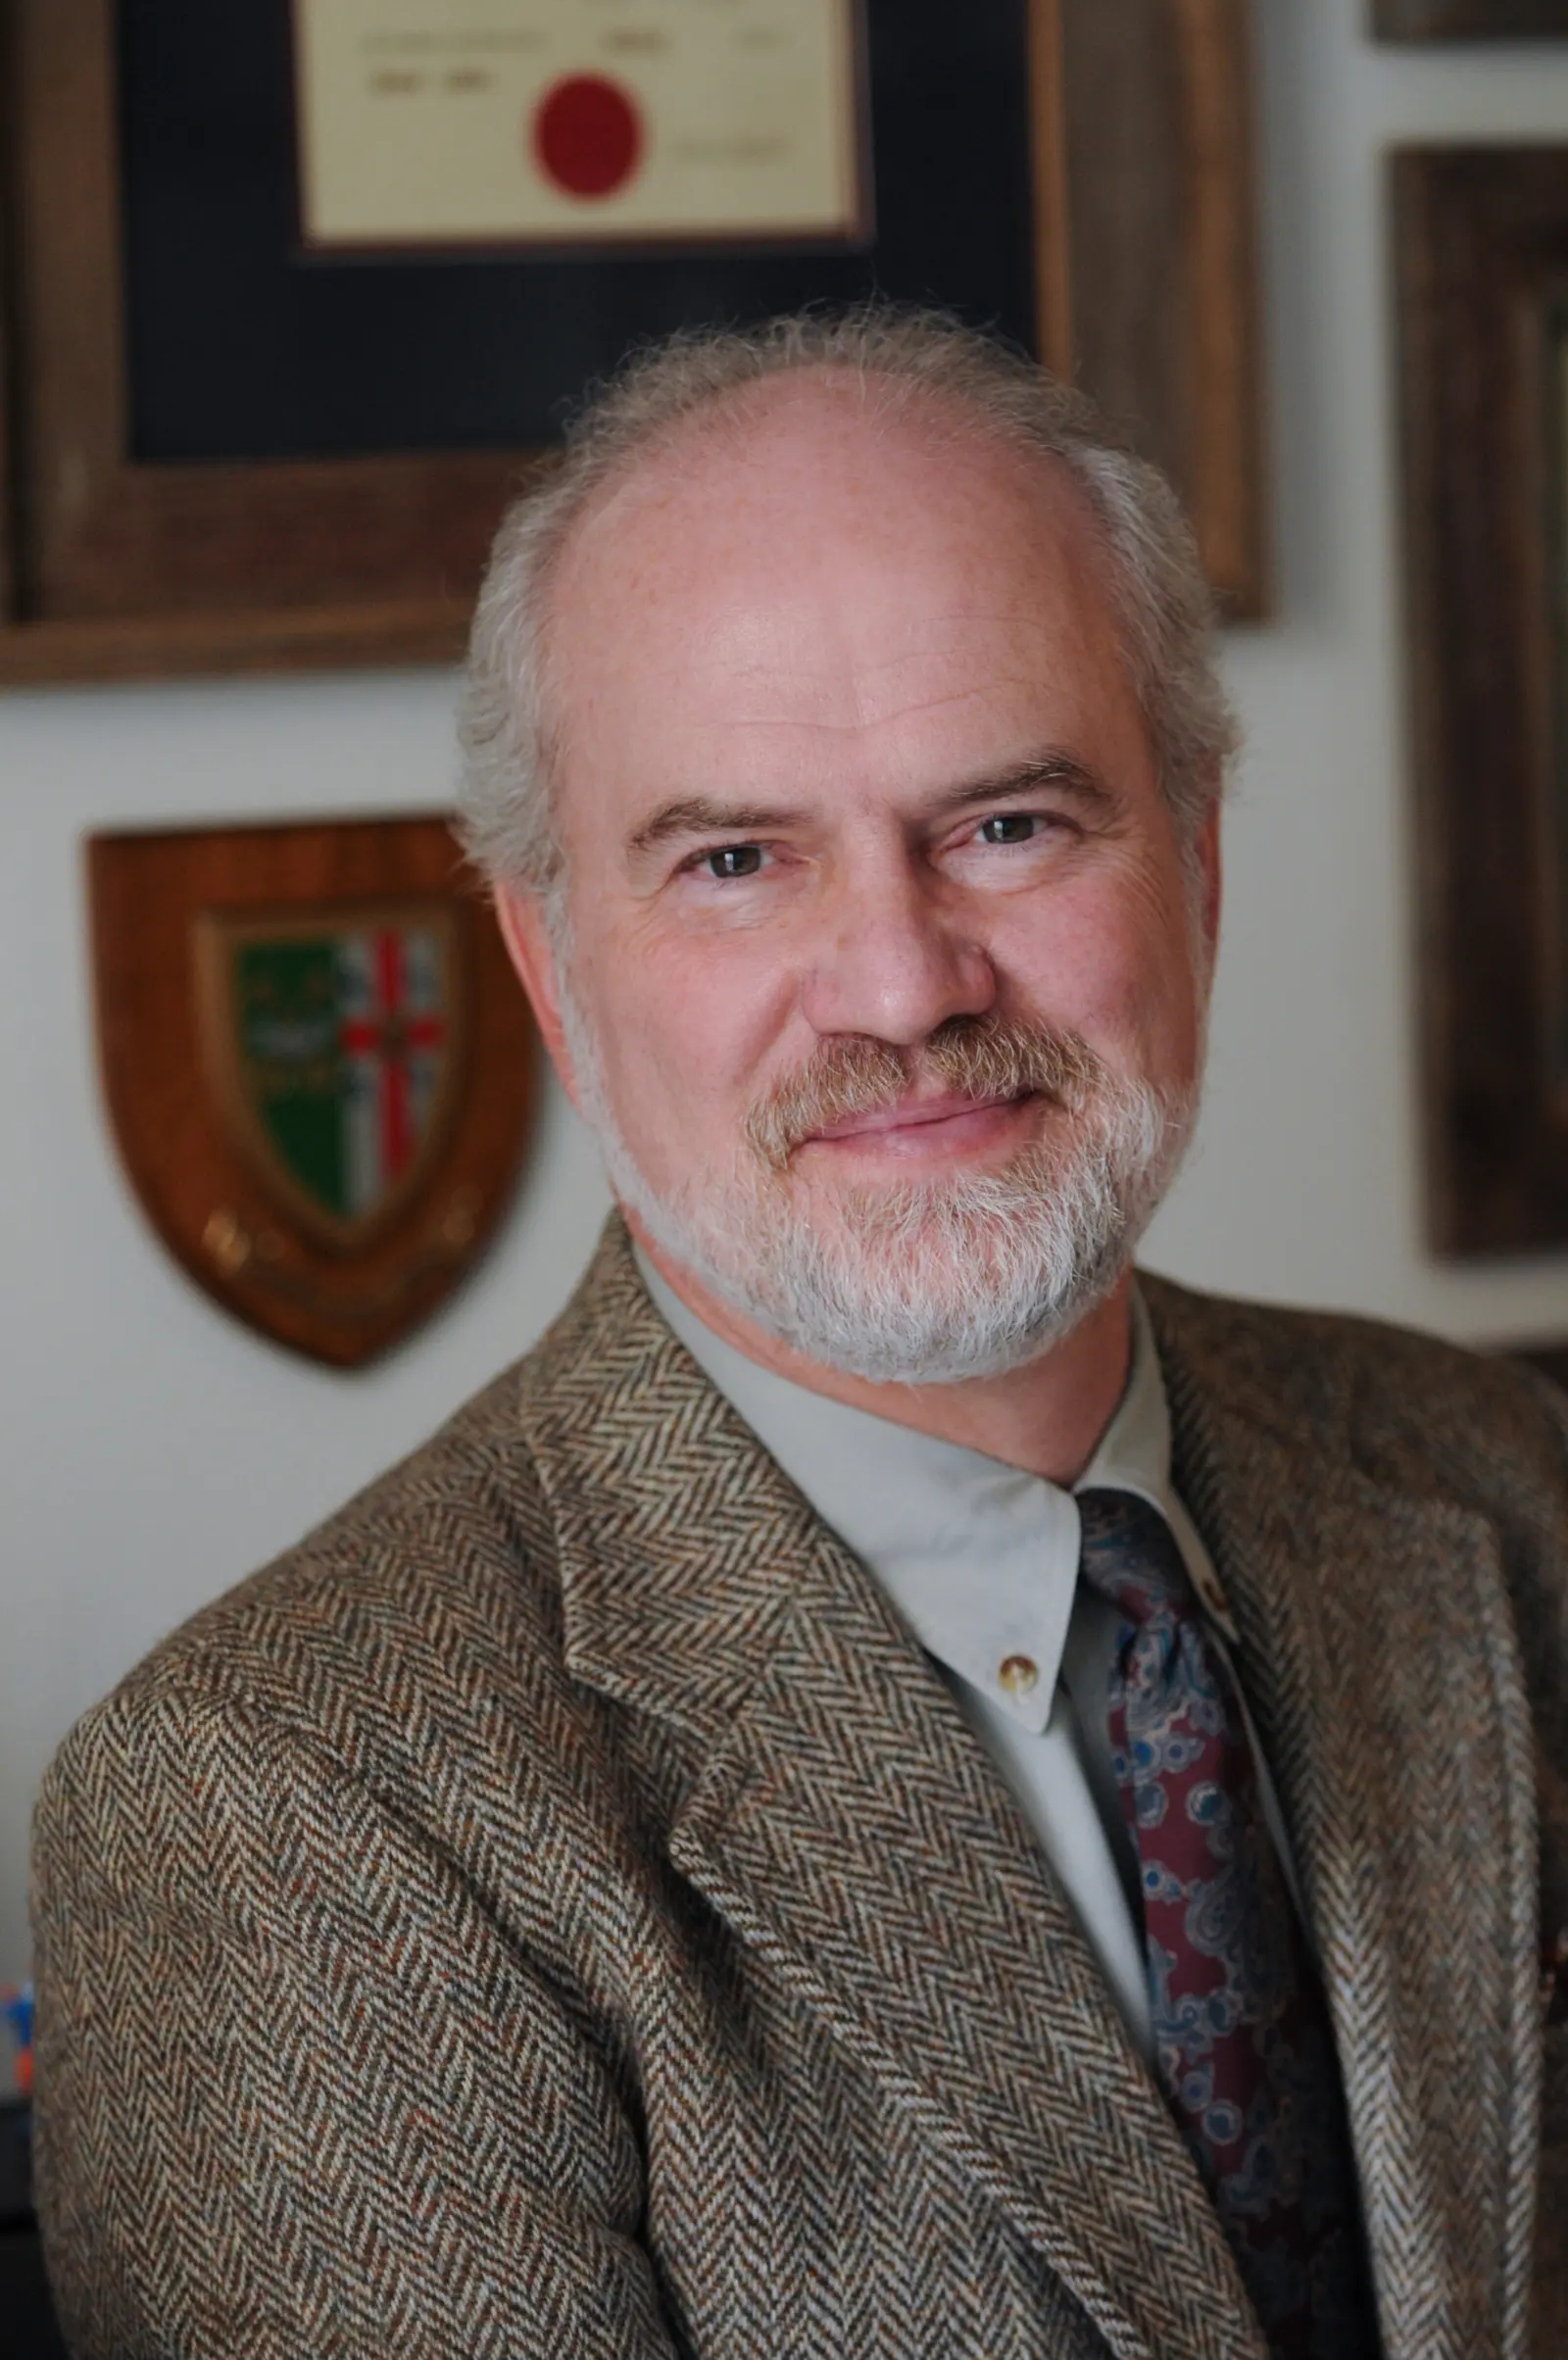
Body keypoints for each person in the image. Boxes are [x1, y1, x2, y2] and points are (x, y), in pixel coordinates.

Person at [29, 307, 1568, 2360]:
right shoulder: (283, 1809)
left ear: (1191, 863)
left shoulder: (1493, 1483)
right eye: (738, 860)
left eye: (1006, 823)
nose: (902, 984)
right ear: (552, 964)